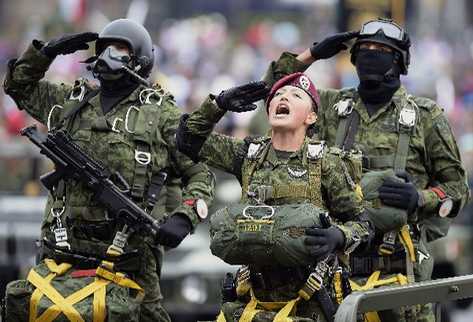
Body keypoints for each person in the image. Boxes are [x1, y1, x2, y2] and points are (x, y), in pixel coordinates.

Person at [3, 19, 214, 321]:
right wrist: (45, 53)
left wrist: (185, 216)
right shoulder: (70, 101)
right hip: (62, 254)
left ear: (139, 58)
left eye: (119, 50)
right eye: (102, 49)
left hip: (129, 261)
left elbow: (200, 174)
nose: (107, 56)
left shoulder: (162, 115)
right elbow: (18, 87)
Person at [260, 18, 470, 321]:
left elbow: (458, 190)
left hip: (402, 273)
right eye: (366, 50)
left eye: (381, 50)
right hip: (335, 272)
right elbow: (273, 92)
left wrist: (419, 199)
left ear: (398, 62)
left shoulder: (426, 116)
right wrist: (312, 54)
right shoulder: (332, 107)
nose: (372, 56)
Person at [176, 72, 374, 321]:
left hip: (310, 301)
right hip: (253, 299)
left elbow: (364, 226)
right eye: (278, 95)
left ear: (311, 116)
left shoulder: (326, 162)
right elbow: (187, 140)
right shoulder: (248, 155)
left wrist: (338, 235)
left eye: (296, 95)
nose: (284, 97)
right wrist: (218, 105)